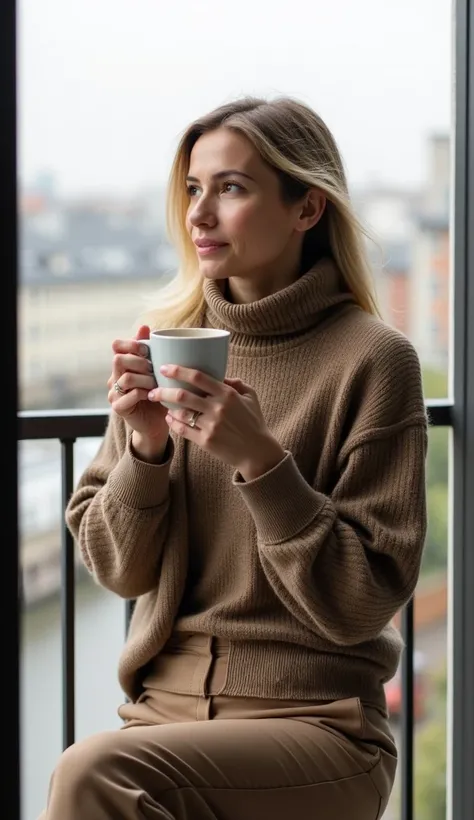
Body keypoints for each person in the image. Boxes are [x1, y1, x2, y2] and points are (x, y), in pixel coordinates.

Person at [39, 95, 428, 820]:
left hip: (319, 725)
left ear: (307, 209)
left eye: (232, 188)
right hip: (163, 717)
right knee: (104, 770)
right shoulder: (165, 342)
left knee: (92, 774)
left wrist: (261, 461)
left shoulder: (375, 361)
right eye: (193, 189)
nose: (200, 215)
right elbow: (117, 567)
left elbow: (364, 601)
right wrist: (146, 452)